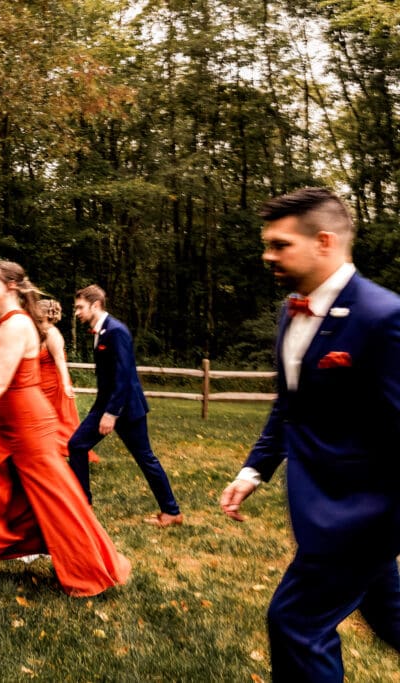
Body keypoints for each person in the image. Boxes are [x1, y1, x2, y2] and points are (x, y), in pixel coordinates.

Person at [219, 187, 400, 681]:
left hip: (361, 517)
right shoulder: (290, 311)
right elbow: (291, 405)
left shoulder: (383, 316)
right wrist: (254, 469)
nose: (267, 255)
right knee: (390, 617)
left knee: (296, 622)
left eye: (279, 244)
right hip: (318, 507)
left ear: (323, 242)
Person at [0, 262, 130, 596]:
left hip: (29, 426)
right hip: (5, 425)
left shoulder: (18, 325)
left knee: (55, 502)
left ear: (10, 286)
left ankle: (91, 568)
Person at [67, 285, 183, 527]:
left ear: (95, 305)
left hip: (126, 409)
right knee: (77, 445)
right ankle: (83, 506)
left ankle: (172, 513)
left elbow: (124, 375)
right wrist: (101, 410)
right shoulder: (100, 330)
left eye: (80, 307)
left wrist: (111, 413)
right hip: (106, 405)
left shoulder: (116, 331)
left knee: (145, 459)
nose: (77, 312)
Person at [36, 299, 97, 463]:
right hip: (39, 383)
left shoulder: (52, 334)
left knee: (54, 420)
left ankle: (57, 451)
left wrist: (65, 384)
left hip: (52, 384)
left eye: (38, 318)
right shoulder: (40, 333)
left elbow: (60, 360)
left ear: (45, 315)